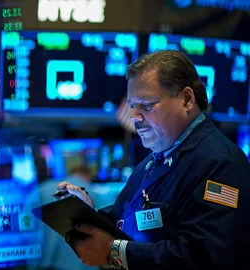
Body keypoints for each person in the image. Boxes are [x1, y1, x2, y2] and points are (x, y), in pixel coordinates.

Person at [57, 50, 250, 270]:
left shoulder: (220, 163)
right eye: (132, 105)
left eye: (147, 105)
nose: (134, 117)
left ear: (187, 99)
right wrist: (87, 215)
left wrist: (114, 252)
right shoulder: (152, 162)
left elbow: (203, 257)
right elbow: (124, 221)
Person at [25, 165, 103, 270]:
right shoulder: (93, 193)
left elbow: (24, 224)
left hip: (41, 265)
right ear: (87, 177)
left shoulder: (41, 189)